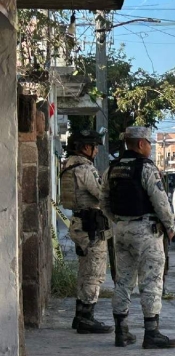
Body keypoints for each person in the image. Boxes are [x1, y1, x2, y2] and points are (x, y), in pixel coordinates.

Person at [100, 127, 175, 349]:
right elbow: (160, 201)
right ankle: (152, 334)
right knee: (151, 280)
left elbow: (103, 199)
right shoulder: (146, 168)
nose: (150, 147)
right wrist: (170, 227)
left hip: (121, 230)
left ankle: (121, 332)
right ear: (141, 144)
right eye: (149, 143)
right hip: (146, 230)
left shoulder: (112, 169)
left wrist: (117, 220)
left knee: (123, 280)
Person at [59, 130, 113, 334]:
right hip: (90, 226)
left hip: (79, 223)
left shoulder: (68, 165)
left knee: (84, 271)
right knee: (94, 273)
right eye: (93, 146)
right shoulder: (83, 168)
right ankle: (87, 318)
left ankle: (80, 315)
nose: (96, 150)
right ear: (84, 147)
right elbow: (100, 194)